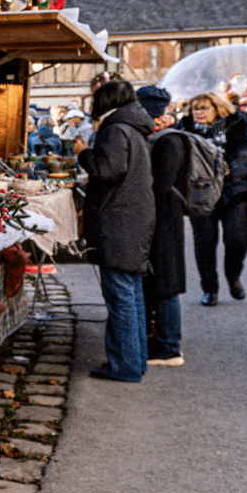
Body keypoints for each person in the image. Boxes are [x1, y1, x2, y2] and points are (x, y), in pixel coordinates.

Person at [78, 79, 156, 382]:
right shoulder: (133, 128)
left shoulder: (115, 129)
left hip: (118, 222)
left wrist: (85, 153)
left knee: (121, 295)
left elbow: (106, 170)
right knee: (131, 294)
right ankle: (135, 361)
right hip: (133, 220)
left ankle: (124, 365)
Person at [184, 90, 247, 305]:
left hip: (236, 190)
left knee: (237, 239)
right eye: (196, 108)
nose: (199, 113)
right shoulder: (185, 129)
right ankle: (210, 289)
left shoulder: (239, 123)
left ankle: (233, 277)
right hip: (201, 193)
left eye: (204, 108)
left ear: (217, 109)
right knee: (205, 242)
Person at [136, 87, 189, 366]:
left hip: (165, 220)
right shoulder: (160, 135)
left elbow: (160, 185)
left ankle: (170, 347)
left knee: (166, 283)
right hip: (162, 218)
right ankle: (161, 340)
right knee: (159, 280)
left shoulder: (167, 139)